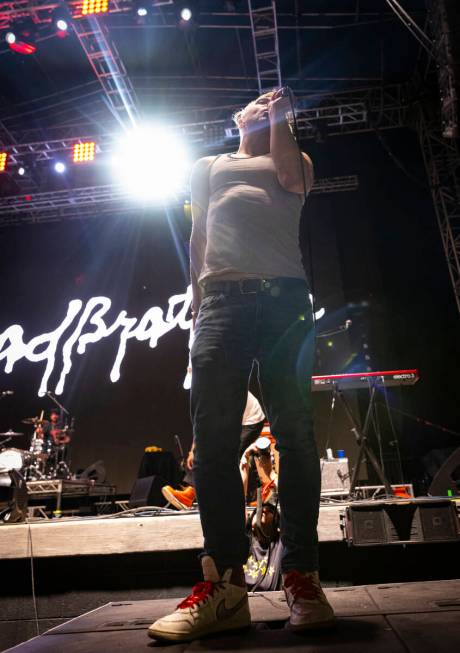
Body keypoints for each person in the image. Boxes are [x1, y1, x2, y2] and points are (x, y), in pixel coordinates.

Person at [148, 87, 334, 642]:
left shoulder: (294, 159)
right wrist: (198, 312)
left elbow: (290, 181)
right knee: (212, 437)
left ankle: (301, 577)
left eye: (274, 103)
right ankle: (227, 585)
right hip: (222, 302)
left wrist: (280, 120)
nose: (266, 102)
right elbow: (198, 240)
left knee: (296, 434)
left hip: (285, 303)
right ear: (236, 118)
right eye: (257, 102)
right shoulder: (207, 167)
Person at [161, 391, 265, 510]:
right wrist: (193, 450)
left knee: (234, 455)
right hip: (233, 419)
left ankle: (249, 498)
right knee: (209, 449)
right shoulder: (202, 391)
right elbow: (200, 423)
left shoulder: (216, 388)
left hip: (251, 420)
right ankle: (189, 494)